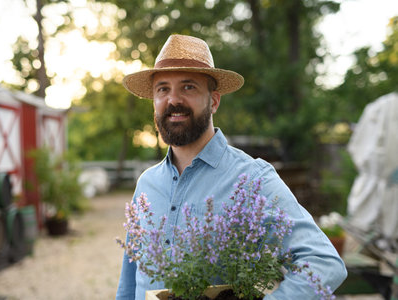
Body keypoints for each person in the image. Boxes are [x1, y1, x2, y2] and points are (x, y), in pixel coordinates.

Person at [116, 34, 347, 300]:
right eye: (163, 89)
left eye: (188, 87)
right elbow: (130, 277)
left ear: (213, 101)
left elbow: (324, 262)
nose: (173, 100)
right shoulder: (147, 183)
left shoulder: (251, 179)